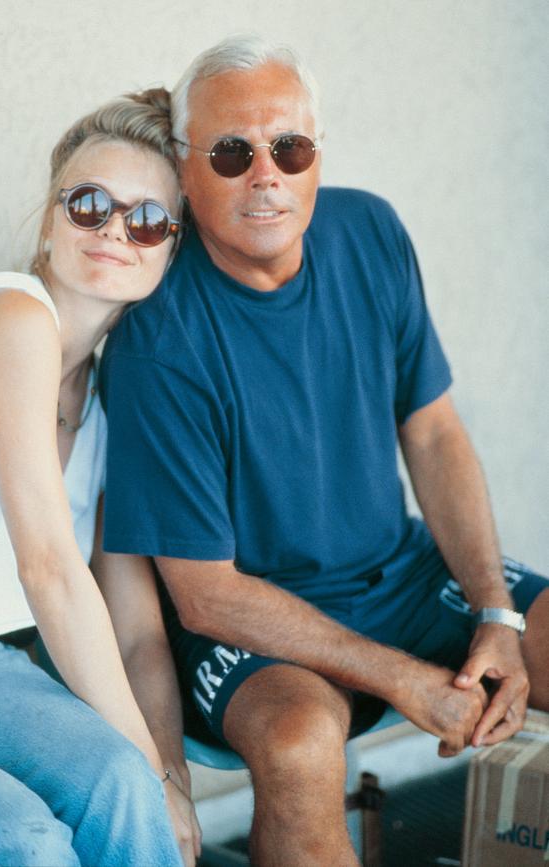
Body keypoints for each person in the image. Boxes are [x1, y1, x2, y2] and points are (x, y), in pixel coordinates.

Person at [99, 36, 549, 867]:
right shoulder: (157, 338)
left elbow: (435, 431)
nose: (265, 174)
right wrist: (403, 677)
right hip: (253, 619)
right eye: (232, 152)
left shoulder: (371, 230)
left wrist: (495, 611)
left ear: (316, 159)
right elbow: (205, 597)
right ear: (183, 164)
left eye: (290, 147)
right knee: (302, 747)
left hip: (399, 574)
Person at [0, 89, 200, 867]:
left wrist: (165, 772)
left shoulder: (104, 399)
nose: (113, 231)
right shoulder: (7, 315)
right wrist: (148, 765)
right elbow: (49, 568)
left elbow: (132, 622)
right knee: (19, 843)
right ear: (48, 217)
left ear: (169, 248)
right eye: (89, 203)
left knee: (124, 787)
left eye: (146, 220)